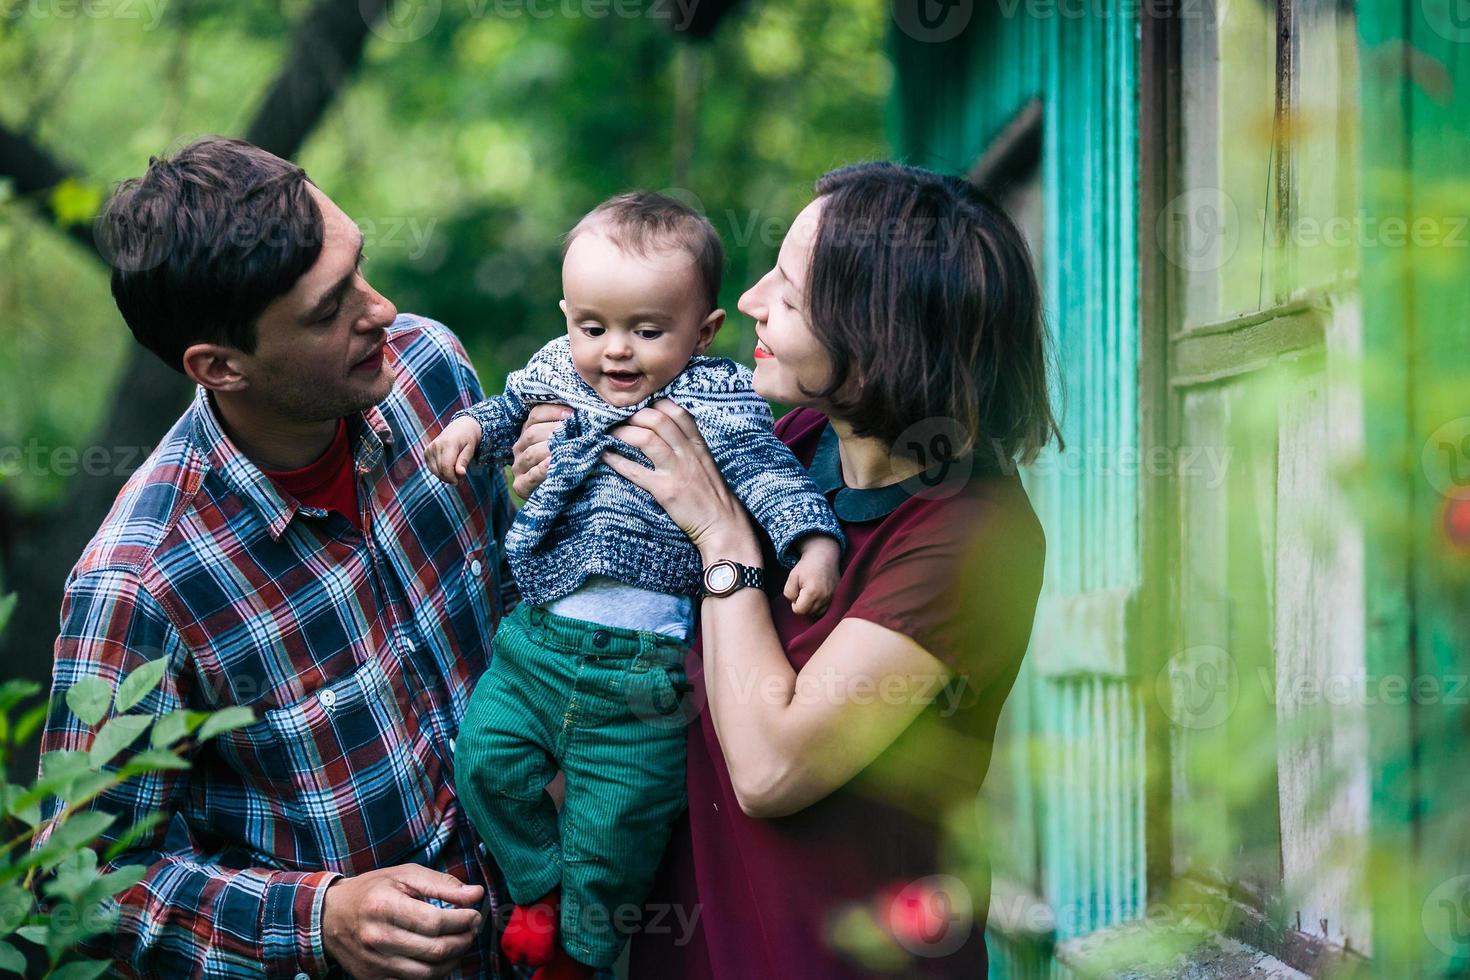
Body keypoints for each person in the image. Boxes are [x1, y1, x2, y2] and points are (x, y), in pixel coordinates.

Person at [519, 162, 1058, 976]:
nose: (750, 300)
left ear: (879, 344)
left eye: (792, 294)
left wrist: (725, 545)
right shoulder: (795, 444)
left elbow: (772, 770)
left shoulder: (970, 537)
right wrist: (561, 467)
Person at [33, 136, 516, 979]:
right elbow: (80, 880)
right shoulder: (142, 582)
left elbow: (523, 597)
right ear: (219, 367)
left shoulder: (431, 373)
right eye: (330, 311)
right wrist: (316, 918)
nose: (381, 309)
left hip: (562, 938)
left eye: (359, 268)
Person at [426, 192, 844, 978]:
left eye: (647, 331)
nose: (614, 352)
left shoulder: (719, 402)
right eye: (592, 327)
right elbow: (509, 405)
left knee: (616, 830)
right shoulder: (559, 367)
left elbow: (771, 476)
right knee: (483, 762)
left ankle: (578, 957)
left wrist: (813, 541)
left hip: (642, 675)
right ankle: (538, 890)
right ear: (567, 316)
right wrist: (473, 430)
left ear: (704, 330)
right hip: (537, 644)